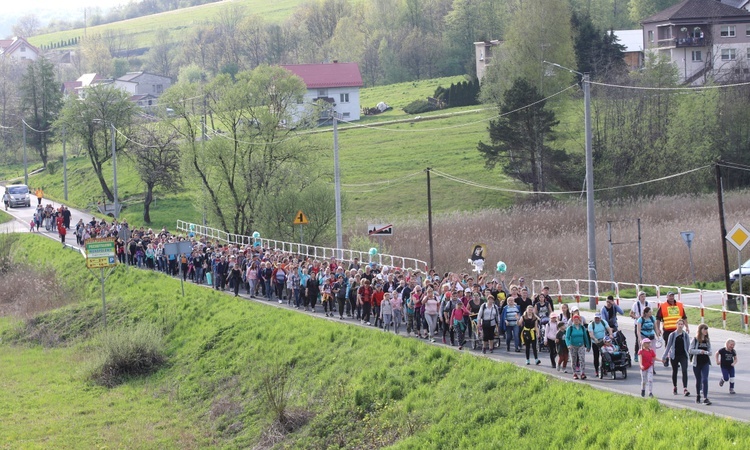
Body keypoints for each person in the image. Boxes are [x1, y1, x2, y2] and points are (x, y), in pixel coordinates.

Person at [657, 291, 689, 367]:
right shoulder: (663, 306)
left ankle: (675, 360)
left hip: (678, 329)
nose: (671, 297)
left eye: (672, 296)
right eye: (670, 296)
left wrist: (687, 326)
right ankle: (667, 359)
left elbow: (684, 317)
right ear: (667, 297)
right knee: (668, 345)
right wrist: (658, 329)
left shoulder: (679, 305)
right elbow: (658, 318)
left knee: (677, 345)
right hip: (667, 330)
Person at [662, 319, 691, 396]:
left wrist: (690, 356)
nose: (680, 325)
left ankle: (685, 388)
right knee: (675, 371)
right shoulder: (672, 335)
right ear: (676, 325)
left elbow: (688, 347)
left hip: (683, 355)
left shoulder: (685, 335)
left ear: (683, 325)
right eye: (679, 324)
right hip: (674, 356)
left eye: (682, 324)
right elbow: (668, 346)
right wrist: (664, 356)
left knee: (684, 370)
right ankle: (675, 386)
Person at [690, 323, 712, 405]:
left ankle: (705, 397)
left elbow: (710, 350)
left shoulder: (707, 340)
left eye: (706, 329)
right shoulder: (695, 339)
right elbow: (690, 350)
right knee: (698, 380)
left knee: (705, 379)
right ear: (700, 330)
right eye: (704, 329)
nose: (706, 331)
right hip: (697, 362)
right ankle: (698, 395)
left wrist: (708, 352)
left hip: (705, 362)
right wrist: (700, 351)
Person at [565, 314, 591, 380]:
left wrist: (588, 345)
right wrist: (568, 345)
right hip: (572, 346)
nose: (576, 321)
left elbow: (585, 337)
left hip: (581, 345)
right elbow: (567, 337)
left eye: (577, 320)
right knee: (573, 360)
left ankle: (582, 373)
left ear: (580, 320)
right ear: (573, 320)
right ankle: (575, 373)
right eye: (575, 320)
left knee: (582, 359)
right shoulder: (570, 328)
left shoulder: (582, 328)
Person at [588, 313, 613, 377]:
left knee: (604, 355)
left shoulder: (603, 322)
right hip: (595, 342)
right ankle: (596, 370)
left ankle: (604, 368)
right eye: (596, 318)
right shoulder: (591, 325)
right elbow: (591, 334)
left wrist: (610, 334)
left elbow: (608, 329)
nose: (597, 319)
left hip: (603, 341)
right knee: (596, 356)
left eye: (598, 318)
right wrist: (595, 339)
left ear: (600, 318)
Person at [630, 291, 649, 362]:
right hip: (638, 324)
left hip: (646, 324)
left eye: (644, 296)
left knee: (647, 340)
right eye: (641, 296)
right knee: (639, 339)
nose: (643, 298)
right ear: (639, 297)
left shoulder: (648, 304)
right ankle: (636, 354)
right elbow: (631, 314)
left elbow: (651, 313)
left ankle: (646, 354)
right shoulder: (636, 304)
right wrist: (637, 317)